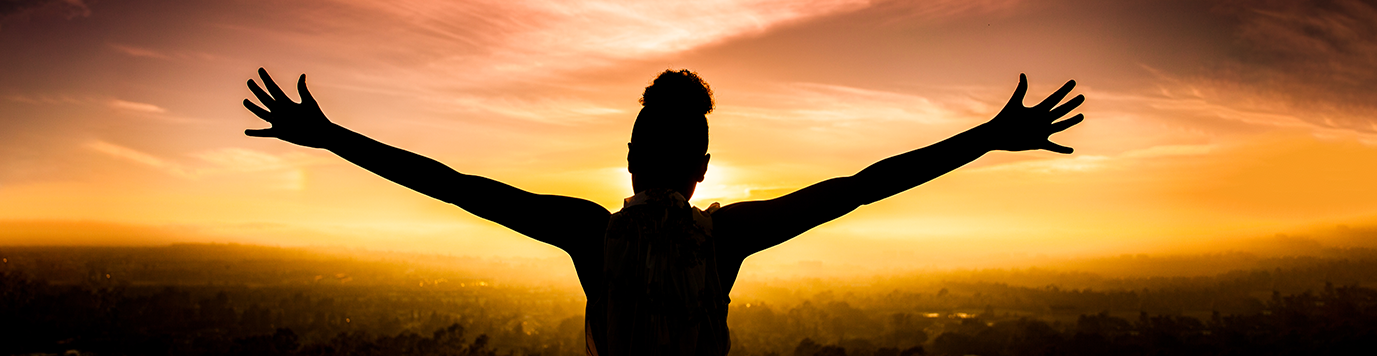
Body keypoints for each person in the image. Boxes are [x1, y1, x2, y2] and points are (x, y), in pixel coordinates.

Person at [241, 68, 1084, 355]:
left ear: (633, 158)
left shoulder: (589, 233)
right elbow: (866, 184)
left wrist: (331, 137)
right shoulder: (728, 238)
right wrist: (986, 136)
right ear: (702, 168)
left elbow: (448, 182)